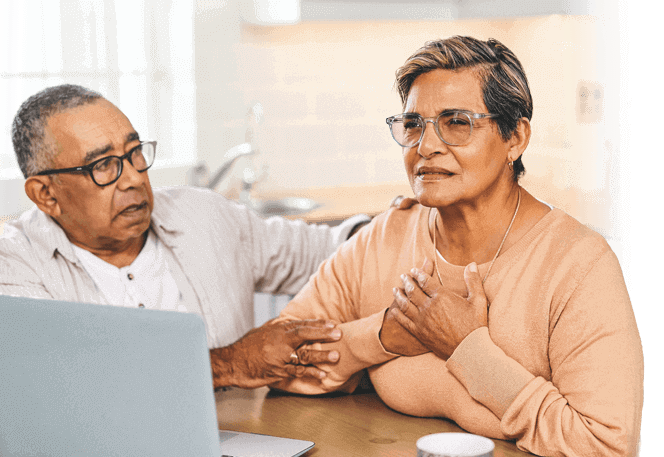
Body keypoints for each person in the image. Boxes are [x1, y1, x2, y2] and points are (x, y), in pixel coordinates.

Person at [269, 36, 642, 457]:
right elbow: (273, 362)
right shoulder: (388, 236)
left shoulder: (578, 266)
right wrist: (383, 336)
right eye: (413, 125)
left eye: (457, 122)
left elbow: (605, 445)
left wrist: (466, 347)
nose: (426, 147)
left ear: (515, 138)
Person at [0, 84, 414, 390]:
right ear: (45, 194)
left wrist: (402, 223)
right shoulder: (13, 266)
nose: (132, 179)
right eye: (103, 165)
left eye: (134, 152)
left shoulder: (201, 214)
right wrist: (231, 364)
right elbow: (67, 384)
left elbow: (324, 251)